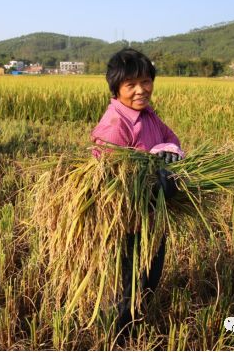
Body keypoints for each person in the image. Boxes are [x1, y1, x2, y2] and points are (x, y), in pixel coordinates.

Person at [90, 48, 185, 339]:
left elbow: (170, 138)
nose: (140, 90)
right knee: (127, 284)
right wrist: (153, 181)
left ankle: (132, 330)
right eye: (131, 85)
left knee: (150, 277)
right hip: (130, 222)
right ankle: (115, 338)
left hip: (155, 217)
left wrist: (168, 153)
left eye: (145, 81)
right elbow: (110, 182)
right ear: (116, 89)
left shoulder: (148, 115)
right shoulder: (114, 125)